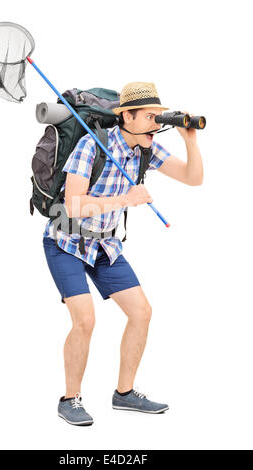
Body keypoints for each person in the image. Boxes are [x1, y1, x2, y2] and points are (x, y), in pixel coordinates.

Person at [42, 82, 204, 426]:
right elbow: (71, 205)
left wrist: (190, 140)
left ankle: (124, 394)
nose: (156, 124)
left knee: (142, 312)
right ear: (126, 116)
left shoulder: (147, 149)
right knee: (85, 319)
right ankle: (70, 399)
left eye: (159, 118)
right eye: (148, 117)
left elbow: (194, 178)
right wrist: (124, 201)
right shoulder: (91, 145)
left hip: (105, 244)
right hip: (66, 243)